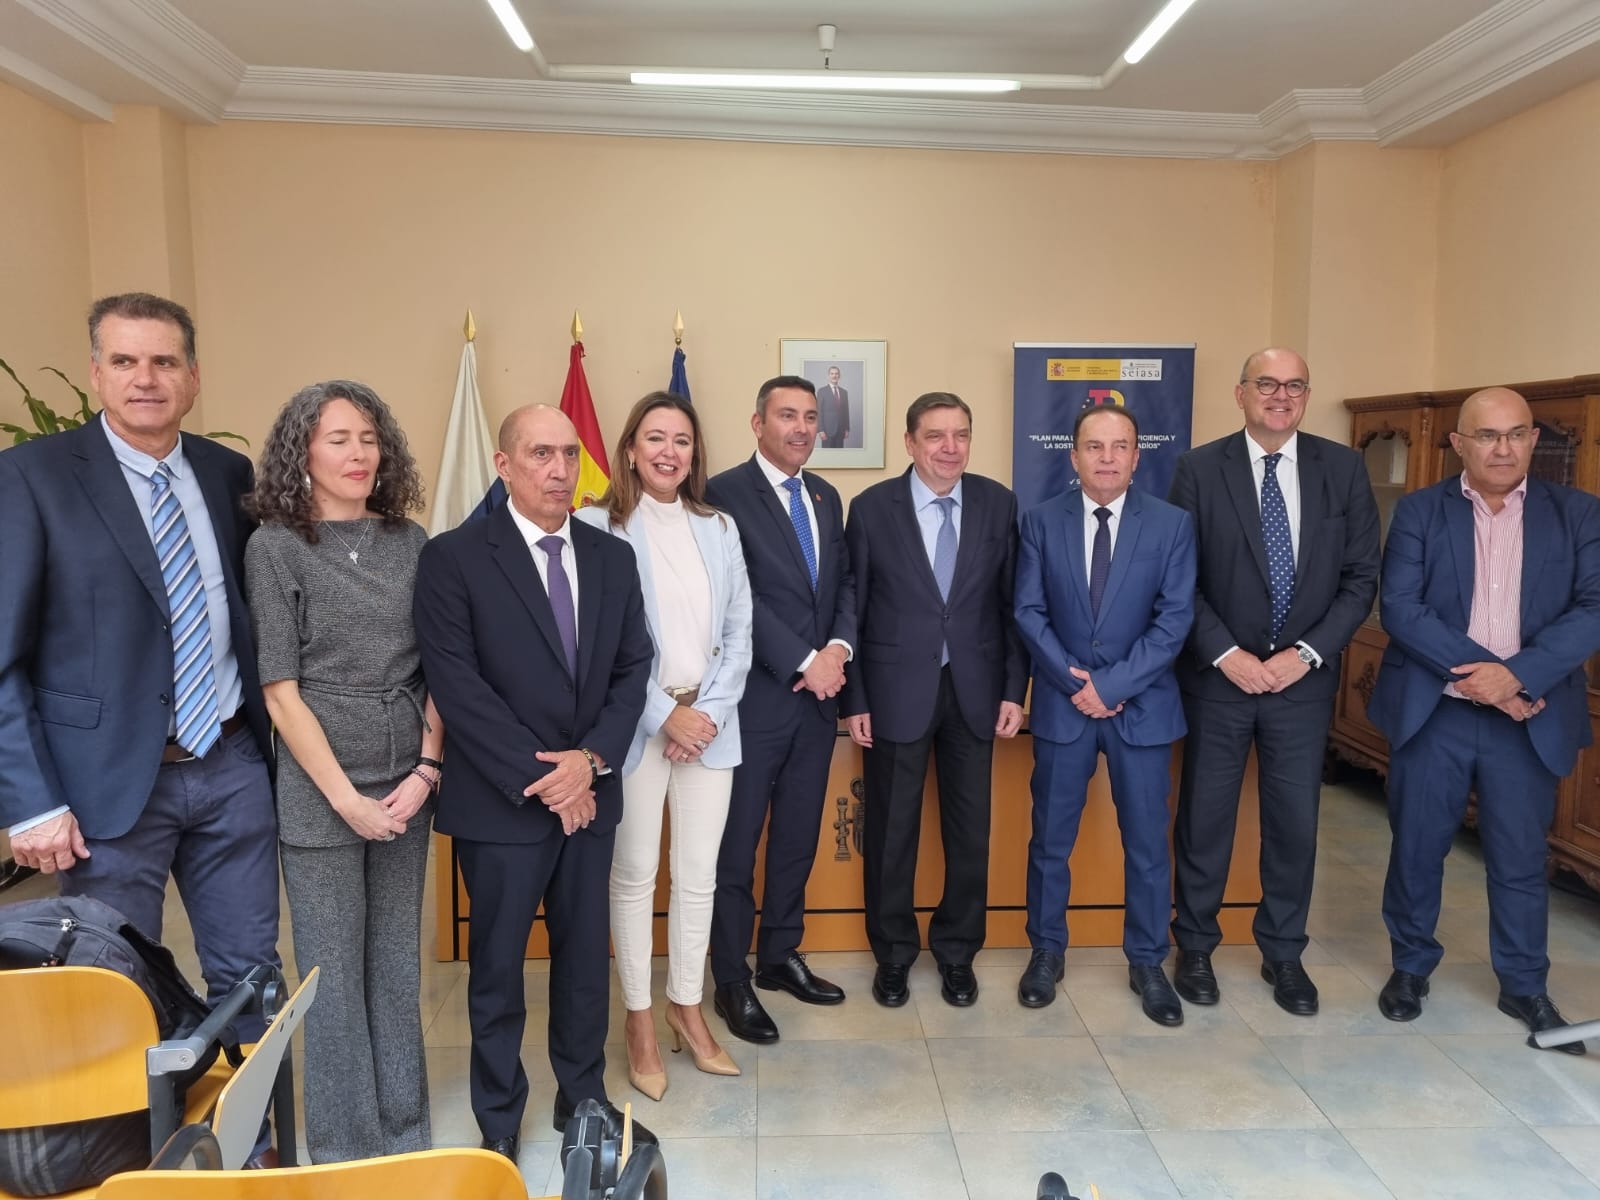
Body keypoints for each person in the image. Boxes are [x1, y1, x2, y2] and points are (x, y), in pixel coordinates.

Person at [0, 294, 281, 1106]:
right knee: (110, 985)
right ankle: (126, 1148)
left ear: (194, 377)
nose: (145, 378)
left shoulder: (227, 475)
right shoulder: (32, 477)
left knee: (251, 979)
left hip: (228, 764)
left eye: (163, 361)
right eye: (124, 361)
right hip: (102, 790)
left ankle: (257, 1143)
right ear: (96, 374)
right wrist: (30, 803)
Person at [412, 405, 657, 1162]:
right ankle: (497, 1117)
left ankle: (582, 1100)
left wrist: (591, 761)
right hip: (502, 804)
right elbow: (457, 684)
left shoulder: (611, 557)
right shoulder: (454, 557)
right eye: (541, 454)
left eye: (569, 454)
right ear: (503, 464)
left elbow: (633, 668)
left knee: (584, 963)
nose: (559, 470)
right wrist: (548, 777)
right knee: (497, 970)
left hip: (591, 795)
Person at [1367, 387, 1600, 1054]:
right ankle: (1411, 967)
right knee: (1418, 848)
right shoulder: (1420, 511)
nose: (1503, 448)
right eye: (1488, 435)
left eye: (1516, 434)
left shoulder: (1578, 513)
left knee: (1520, 856)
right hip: (1436, 711)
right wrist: (1495, 680)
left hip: (1529, 717)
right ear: (1459, 444)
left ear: (1534, 440)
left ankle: (1524, 984)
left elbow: (1592, 608)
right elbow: (1402, 609)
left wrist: (1517, 676)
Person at [243, 380, 439, 1160]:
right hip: (322, 791)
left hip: (408, 784)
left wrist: (426, 770)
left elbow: (441, 669)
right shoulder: (275, 546)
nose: (358, 453)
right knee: (332, 975)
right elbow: (279, 693)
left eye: (368, 437)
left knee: (394, 966)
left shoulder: (410, 541)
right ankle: (346, 1149)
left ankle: (406, 1131)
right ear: (303, 452)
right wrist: (347, 801)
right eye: (337, 439)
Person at [1167, 348, 1379, 1016]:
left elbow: (1361, 578)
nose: (1280, 396)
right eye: (1267, 384)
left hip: (1301, 685)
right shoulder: (1198, 469)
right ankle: (1195, 947)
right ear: (1241, 394)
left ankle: (1284, 953)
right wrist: (1226, 653)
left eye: (1294, 386)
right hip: (1219, 681)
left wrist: (1306, 654)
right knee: (1205, 821)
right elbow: (1178, 578)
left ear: (1306, 396)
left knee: (1294, 825)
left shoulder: (1342, 468)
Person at [573, 392, 753, 1098]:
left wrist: (704, 714)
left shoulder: (719, 526)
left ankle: (686, 1005)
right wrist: (662, 716)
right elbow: (596, 643)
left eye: (681, 440)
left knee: (700, 876)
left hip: (710, 726)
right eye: (655, 438)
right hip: (634, 727)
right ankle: (640, 1018)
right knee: (635, 873)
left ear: (694, 452)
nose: (668, 451)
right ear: (629, 449)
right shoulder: (598, 526)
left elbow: (739, 630)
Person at [842, 392, 1027, 1008]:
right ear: (910, 442)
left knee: (970, 834)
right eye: (936, 436)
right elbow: (853, 609)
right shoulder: (872, 508)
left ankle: (957, 952)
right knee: (891, 833)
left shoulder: (999, 503)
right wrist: (855, 698)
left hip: (975, 693)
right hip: (894, 693)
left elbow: (1012, 606)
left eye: (961, 435)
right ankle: (893, 955)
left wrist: (1013, 689)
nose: (950, 448)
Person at [1014, 406, 1196, 1023]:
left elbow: (1174, 620)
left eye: (1120, 446)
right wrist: (1077, 684)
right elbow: (1028, 611)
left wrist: (1112, 685)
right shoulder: (1040, 521)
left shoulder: (1171, 525)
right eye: (1095, 446)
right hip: (1065, 708)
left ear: (1137, 456)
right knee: (1050, 842)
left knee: (1146, 845)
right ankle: (1046, 952)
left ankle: (1147, 961)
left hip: (1141, 712)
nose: (1108, 457)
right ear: (1074, 455)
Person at [705, 376, 857, 1043]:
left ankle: (778, 955)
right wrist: (803, 660)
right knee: (736, 848)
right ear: (757, 423)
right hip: (754, 702)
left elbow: (844, 585)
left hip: (817, 706)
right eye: (787, 415)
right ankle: (730, 976)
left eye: (810, 417)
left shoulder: (824, 495)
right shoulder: (722, 494)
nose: (801, 428)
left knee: (797, 838)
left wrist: (839, 650)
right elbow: (737, 596)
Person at [817, 366, 850, 448]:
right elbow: (819, 411)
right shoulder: (822, 391)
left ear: (839, 376)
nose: (834, 376)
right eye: (832, 374)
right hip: (827, 431)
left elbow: (846, 412)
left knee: (839, 454)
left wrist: (847, 428)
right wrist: (820, 430)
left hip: (841, 431)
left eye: (836, 374)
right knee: (827, 454)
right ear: (828, 376)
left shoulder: (844, 392)